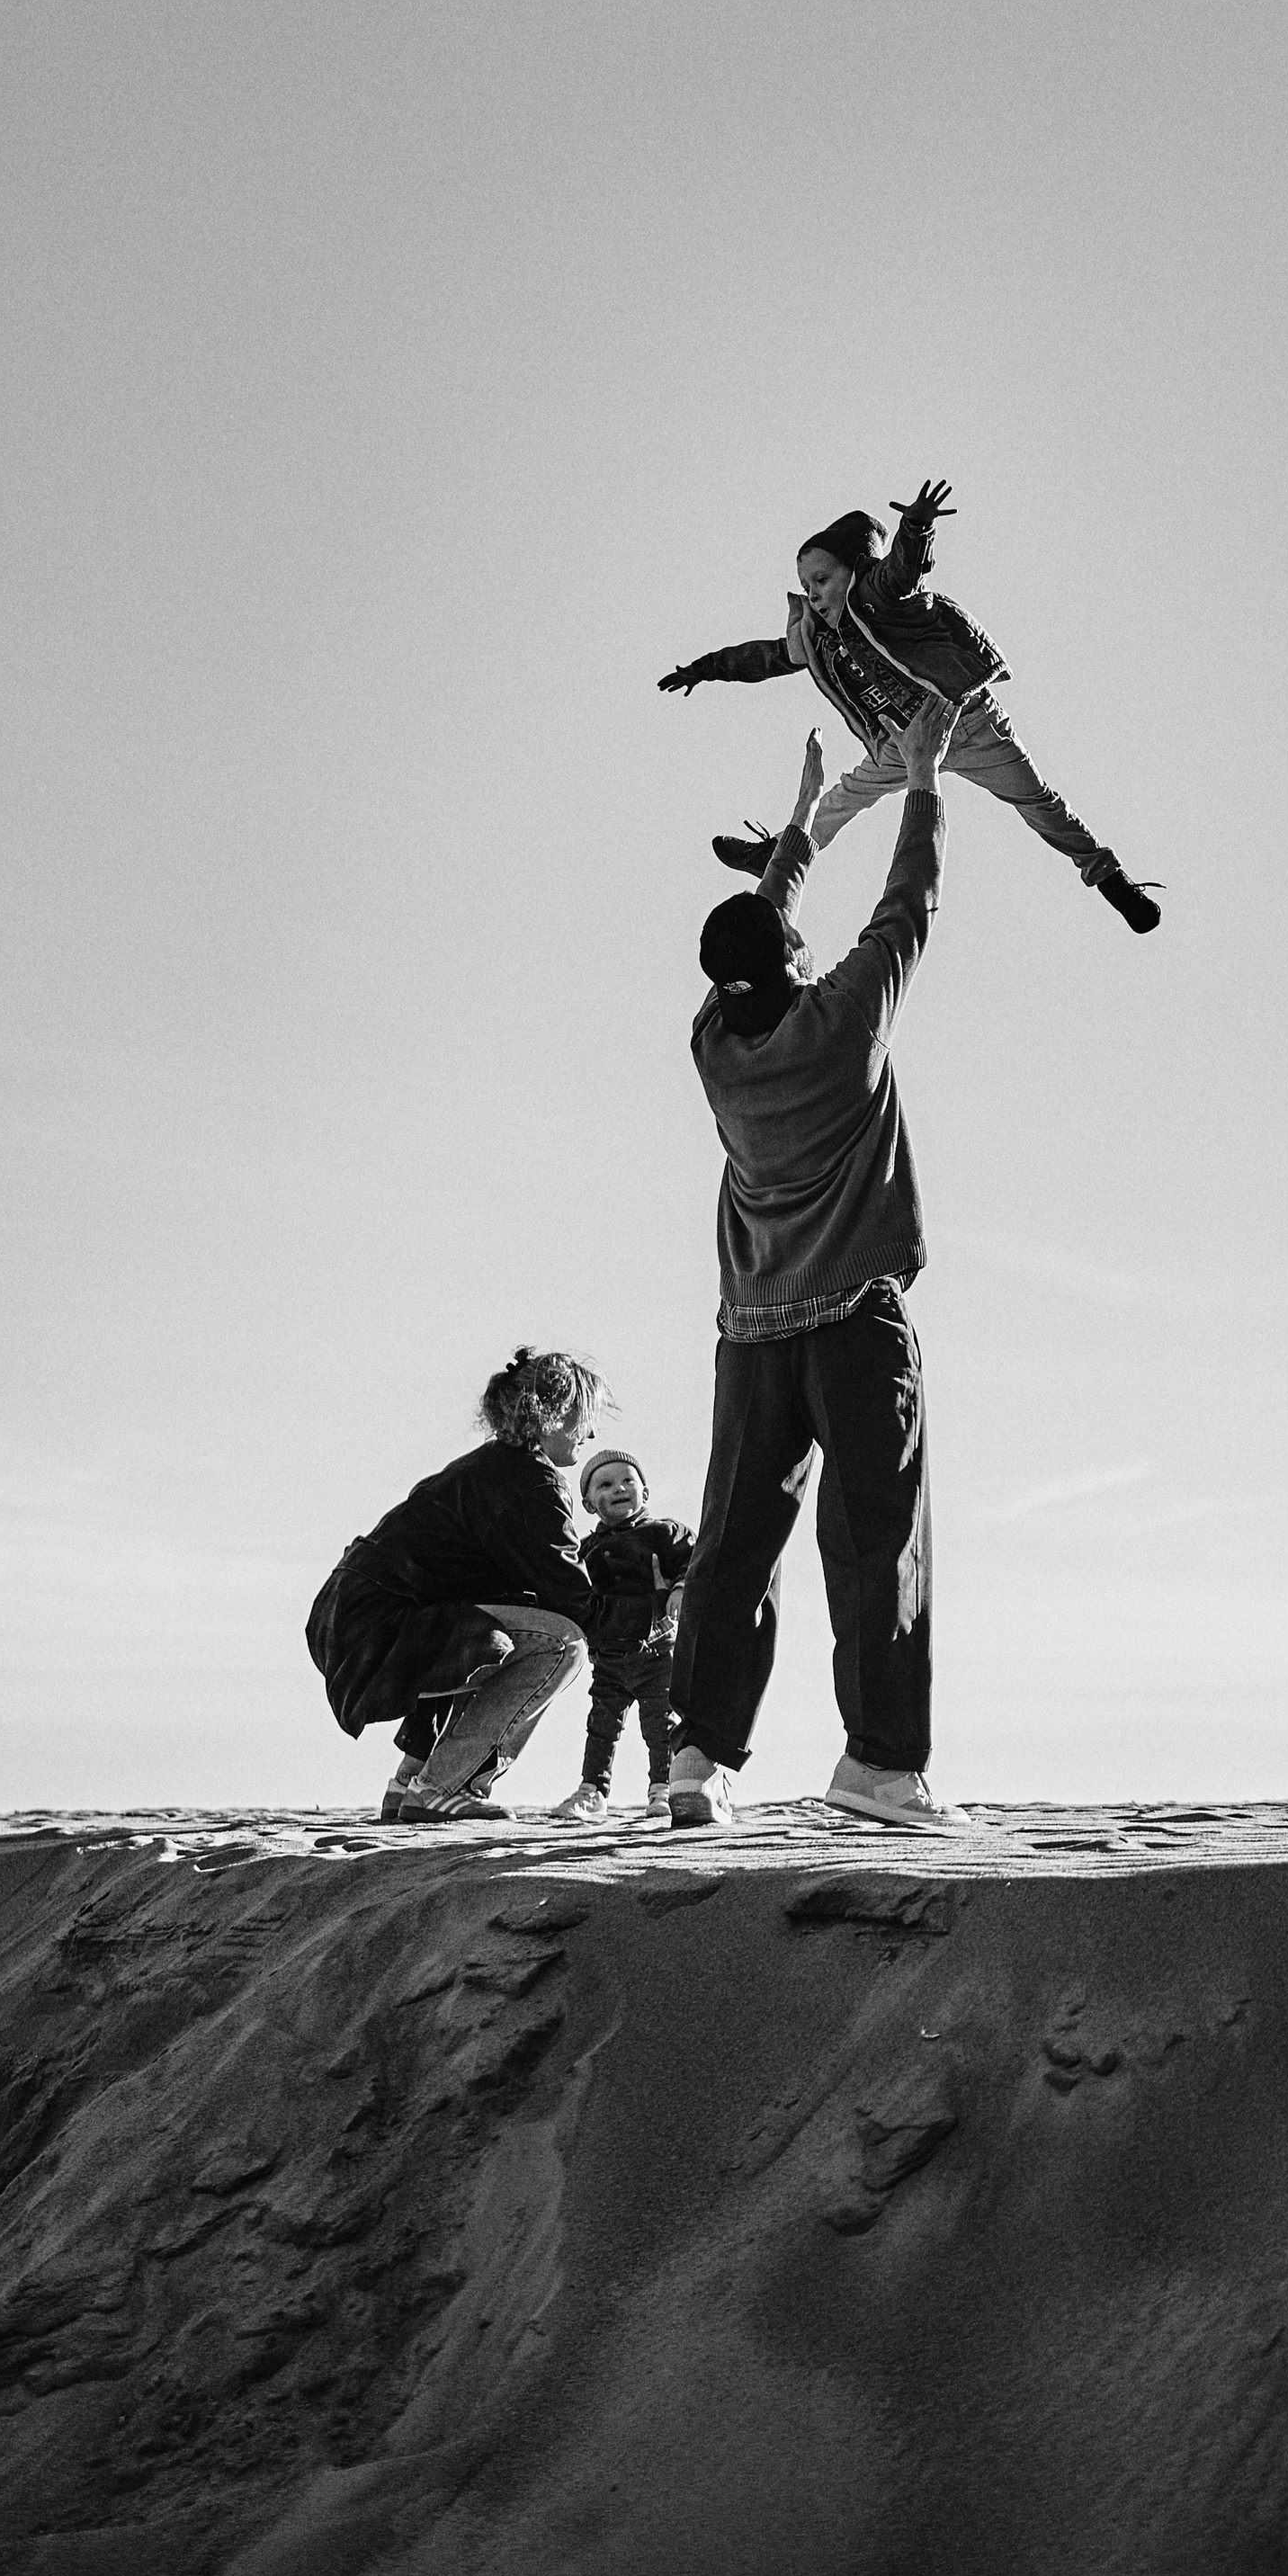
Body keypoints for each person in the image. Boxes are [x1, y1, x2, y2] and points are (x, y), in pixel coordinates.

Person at [668, 699, 970, 1834]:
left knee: (733, 1545)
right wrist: (925, 778)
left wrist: (801, 822)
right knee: (873, 1537)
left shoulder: (712, 1046)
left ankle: (697, 1758)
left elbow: (763, 925)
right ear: (792, 959)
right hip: (850, 1320)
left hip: (750, 1332)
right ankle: (880, 1766)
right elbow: (910, 904)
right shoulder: (842, 1026)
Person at [657, 478, 1160, 933]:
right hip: (901, 744)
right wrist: (703, 669)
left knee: (1036, 801)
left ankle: (1111, 879)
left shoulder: (879, 596)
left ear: (854, 571)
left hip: (963, 723)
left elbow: (903, 569)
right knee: (840, 800)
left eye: (823, 580)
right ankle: (777, 856)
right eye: (806, 585)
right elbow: (764, 657)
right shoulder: (818, 639)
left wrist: (916, 526)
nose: (813, 595)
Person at [304, 1347, 604, 1822]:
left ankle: (410, 1784)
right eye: (585, 1417)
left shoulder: (491, 1465)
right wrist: (661, 1615)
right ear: (554, 1415)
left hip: (347, 1613)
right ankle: (448, 1785)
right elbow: (577, 1602)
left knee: (486, 1635)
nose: (591, 1433)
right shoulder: (532, 1483)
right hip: (378, 1619)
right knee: (561, 1643)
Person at [553, 1450, 694, 1820]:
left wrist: (679, 1588)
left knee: (661, 1725)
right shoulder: (585, 1549)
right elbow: (568, 1588)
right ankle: (592, 1790)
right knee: (601, 1728)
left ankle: (663, 1789)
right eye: (606, 1484)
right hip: (608, 1658)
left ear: (645, 1492)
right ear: (588, 1503)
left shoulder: (663, 1532)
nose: (619, 1488)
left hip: (656, 1652)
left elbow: (693, 1559)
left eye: (628, 1481)